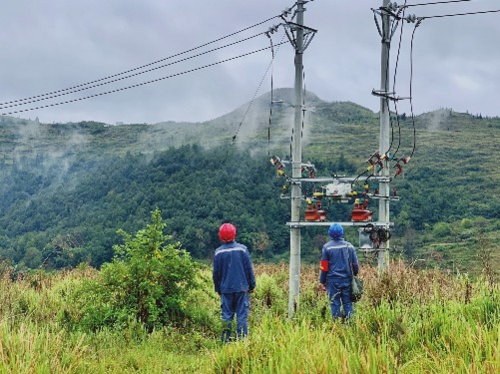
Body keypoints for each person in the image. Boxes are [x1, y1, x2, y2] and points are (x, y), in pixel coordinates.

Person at [213, 223, 256, 342]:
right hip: (242, 288)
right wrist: (252, 285)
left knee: (226, 316)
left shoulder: (218, 252)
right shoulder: (242, 249)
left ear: (221, 236)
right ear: (234, 234)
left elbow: (216, 274)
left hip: (225, 289)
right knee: (242, 316)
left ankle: (225, 343)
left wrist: (218, 289)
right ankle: (242, 343)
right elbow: (249, 269)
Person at [319, 223, 359, 320]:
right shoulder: (350, 246)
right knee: (348, 303)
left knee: (334, 303)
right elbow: (355, 265)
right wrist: (354, 276)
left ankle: (336, 326)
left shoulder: (327, 247)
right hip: (347, 280)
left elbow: (324, 267)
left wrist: (322, 281)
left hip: (333, 281)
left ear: (330, 234)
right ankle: (350, 325)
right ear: (342, 233)